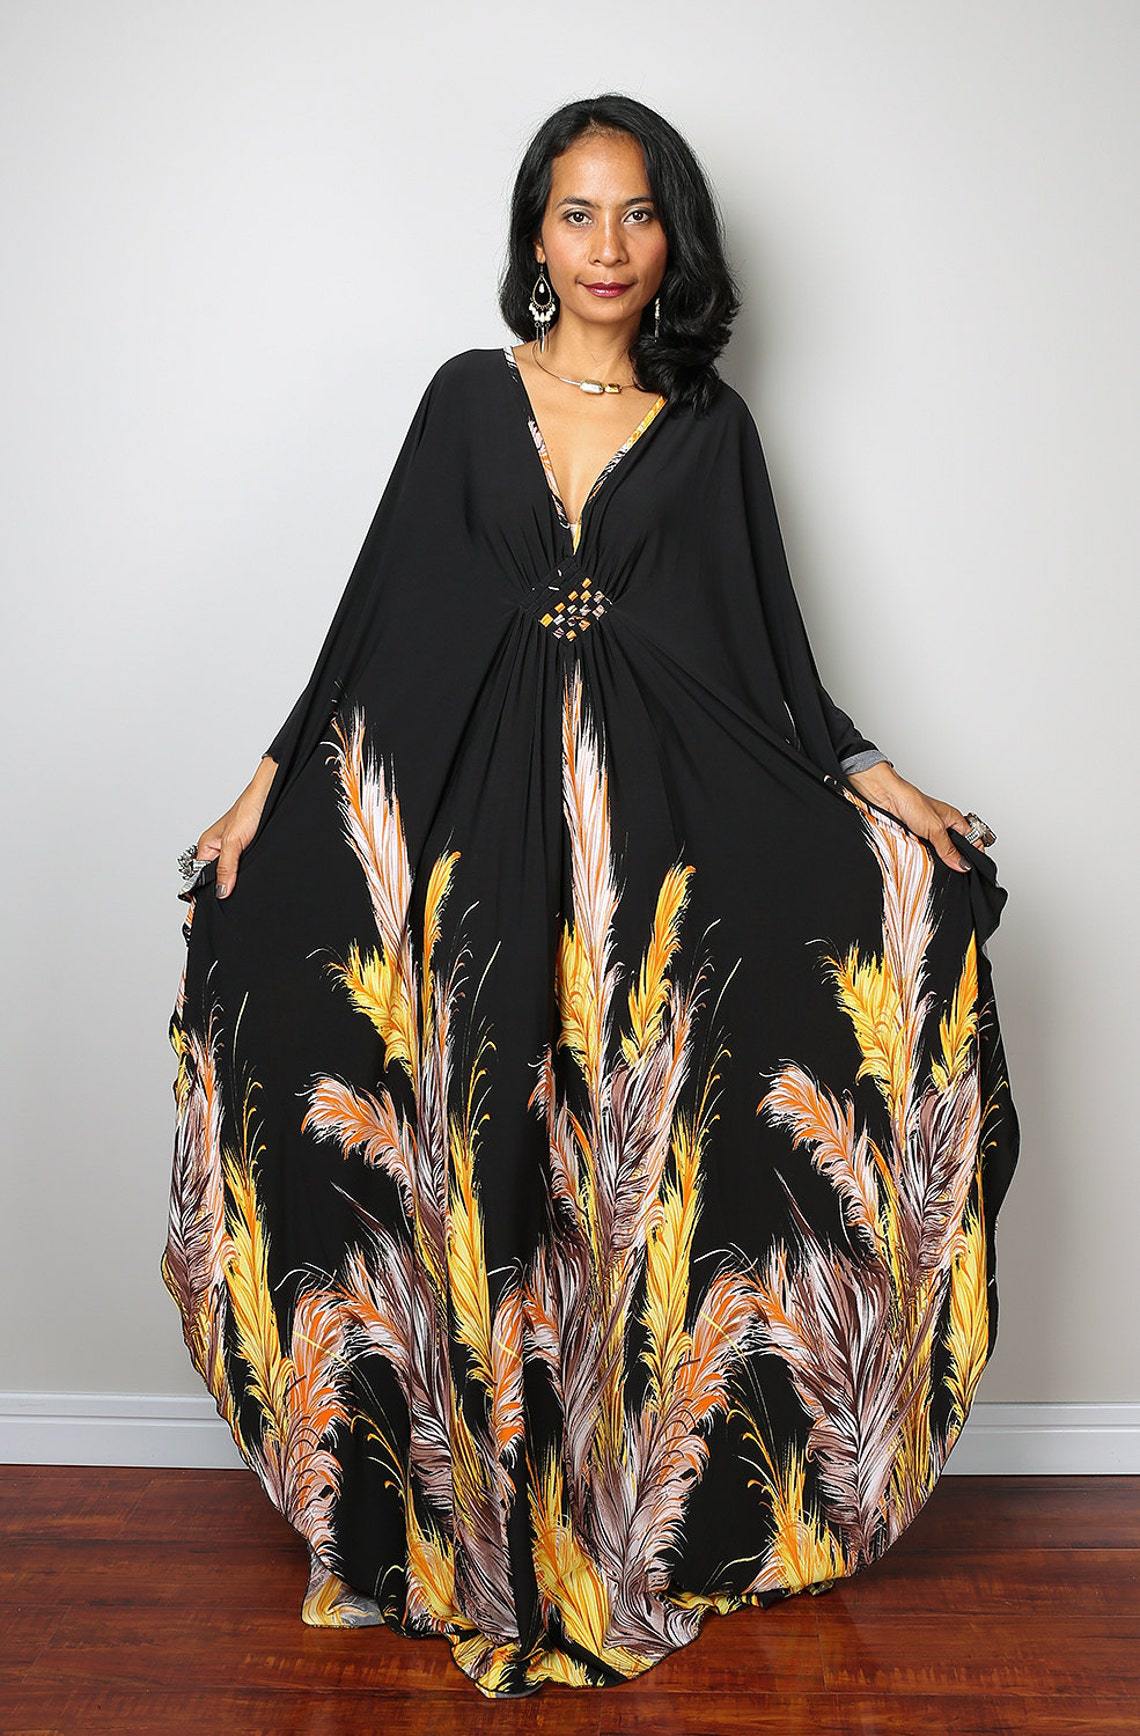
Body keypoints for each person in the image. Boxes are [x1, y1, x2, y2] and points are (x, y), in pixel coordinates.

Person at [162, 94, 1019, 1700]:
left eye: (637, 214)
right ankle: (463, 1515)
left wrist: (884, 788)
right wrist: (268, 788)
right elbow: (368, 627)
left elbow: (777, 666)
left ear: (673, 238)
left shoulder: (711, 429)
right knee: (483, 1147)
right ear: (535, 236)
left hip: (655, 839)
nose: (608, 246)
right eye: (577, 212)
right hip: (482, 829)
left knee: (626, 1170)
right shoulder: (464, 399)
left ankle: (625, 1510)